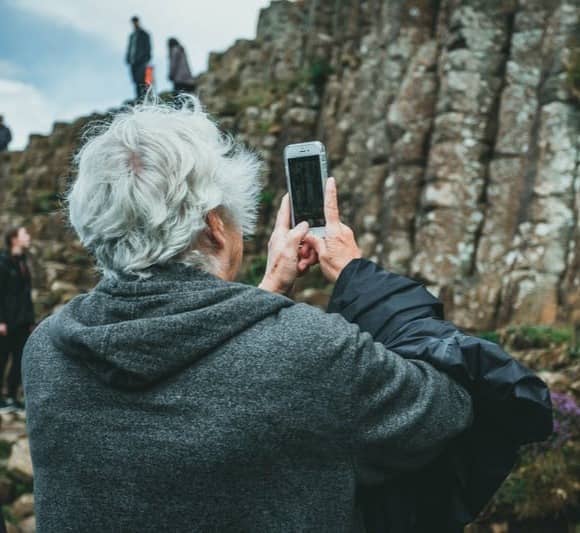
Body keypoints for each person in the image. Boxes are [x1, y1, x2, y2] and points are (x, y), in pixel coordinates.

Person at [22, 97, 549, 532]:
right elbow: (447, 410)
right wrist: (358, 277)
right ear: (214, 228)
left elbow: (196, 367)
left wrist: (268, 291)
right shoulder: (309, 353)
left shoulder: (47, 351)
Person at [0, 227, 34, 412]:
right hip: (5, 323)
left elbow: (25, 295)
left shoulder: (23, 263)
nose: (28, 237)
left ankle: (13, 396)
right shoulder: (3, 262)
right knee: (1, 359)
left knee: (19, 360)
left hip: (22, 322)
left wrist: (30, 320)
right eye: (24, 234)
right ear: (14, 239)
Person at [125, 16, 151, 100]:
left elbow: (148, 48)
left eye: (135, 21)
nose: (134, 24)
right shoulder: (132, 36)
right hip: (133, 63)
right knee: (136, 82)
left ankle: (145, 100)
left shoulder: (144, 34)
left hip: (142, 62)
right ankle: (139, 100)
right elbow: (129, 48)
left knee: (143, 82)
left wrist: (146, 59)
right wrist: (128, 59)